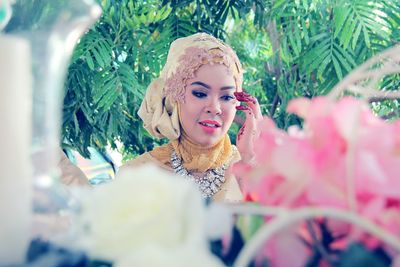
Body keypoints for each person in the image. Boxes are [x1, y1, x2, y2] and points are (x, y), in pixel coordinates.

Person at [120, 33, 262, 202]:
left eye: (226, 97)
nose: (215, 108)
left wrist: (249, 161)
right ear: (174, 98)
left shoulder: (251, 169)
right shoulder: (136, 176)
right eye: (200, 93)